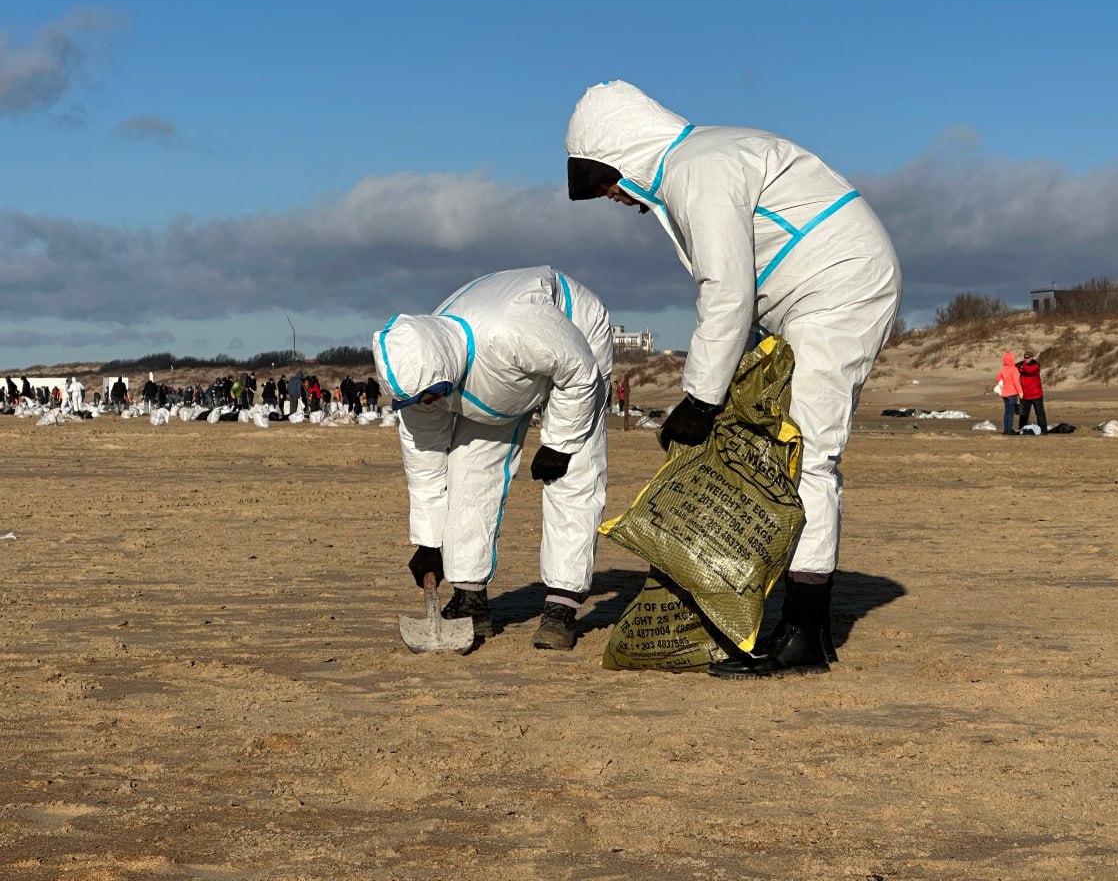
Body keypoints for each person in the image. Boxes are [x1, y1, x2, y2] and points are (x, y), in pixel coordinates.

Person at [566, 80, 901, 677]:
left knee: (805, 452)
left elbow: (726, 288)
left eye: (602, 179)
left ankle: (804, 632)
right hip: (811, 290)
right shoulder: (696, 163)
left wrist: (700, 398)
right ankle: (799, 627)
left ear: (622, 154)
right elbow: (742, 288)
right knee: (777, 448)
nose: (608, 195)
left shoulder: (700, 168)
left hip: (838, 289)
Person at [373, 265, 612, 651]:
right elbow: (426, 462)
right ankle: (470, 598)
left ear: (442, 371)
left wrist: (561, 442)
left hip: (572, 340)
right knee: (469, 470)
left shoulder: (511, 328)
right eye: (420, 401)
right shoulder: (418, 385)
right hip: (493, 384)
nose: (428, 405)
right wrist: (429, 540)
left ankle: (562, 604)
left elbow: (580, 372)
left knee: (572, 473)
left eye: (432, 394)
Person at [1016, 351, 1046, 432]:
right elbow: (1014, 369)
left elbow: (1030, 371)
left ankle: (1043, 430)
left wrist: (1022, 366)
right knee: (1023, 414)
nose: (1026, 359)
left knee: (1040, 413)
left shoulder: (1035, 365)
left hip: (1036, 394)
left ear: (1032, 357)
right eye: (1025, 358)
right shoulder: (1021, 364)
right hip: (1025, 395)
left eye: (1028, 358)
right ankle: (1021, 429)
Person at [996, 351, 1023, 435]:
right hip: (1012, 393)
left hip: (1004, 393)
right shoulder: (1013, 369)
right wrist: (1020, 392)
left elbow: (998, 378)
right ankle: (1009, 430)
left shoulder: (1003, 368)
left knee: (1007, 412)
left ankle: (1006, 430)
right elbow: (1016, 382)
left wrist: (1004, 381)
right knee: (1011, 412)